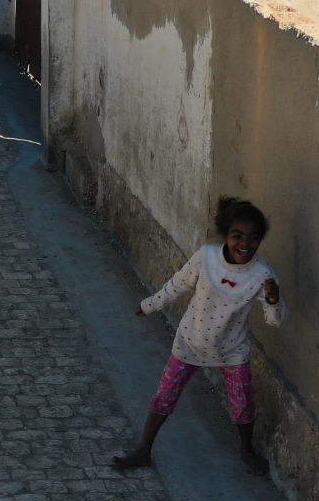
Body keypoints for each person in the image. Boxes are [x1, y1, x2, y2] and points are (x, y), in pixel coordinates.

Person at [114, 197, 283, 475]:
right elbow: (178, 284)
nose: (245, 243)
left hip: (232, 351)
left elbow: (274, 321)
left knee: (242, 403)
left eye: (253, 238)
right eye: (237, 236)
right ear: (225, 235)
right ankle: (144, 450)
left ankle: (246, 448)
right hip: (190, 342)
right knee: (164, 396)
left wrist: (274, 300)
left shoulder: (263, 275)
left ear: (260, 240)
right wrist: (150, 304)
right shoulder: (206, 257)